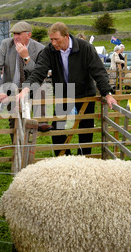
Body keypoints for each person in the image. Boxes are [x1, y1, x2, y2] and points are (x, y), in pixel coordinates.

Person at [17, 22, 116, 156]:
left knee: (85, 131)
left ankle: (84, 160)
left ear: (66, 36)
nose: (53, 42)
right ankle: (63, 160)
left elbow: (98, 71)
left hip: (84, 94)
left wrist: (107, 93)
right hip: (62, 94)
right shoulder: (49, 51)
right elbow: (39, 72)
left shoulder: (85, 48)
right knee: (58, 132)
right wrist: (25, 89)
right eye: (51, 39)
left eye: (56, 39)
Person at [0, 21, 47, 132]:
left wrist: (26, 57)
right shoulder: (6, 44)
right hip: (11, 88)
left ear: (29, 35)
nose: (15, 37)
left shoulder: (40, 48)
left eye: (18, 34)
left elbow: (39, 73)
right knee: (15, 123)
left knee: (42, 88)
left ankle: (41, 121)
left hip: (31, 88)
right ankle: (16, 147)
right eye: (14, 34)